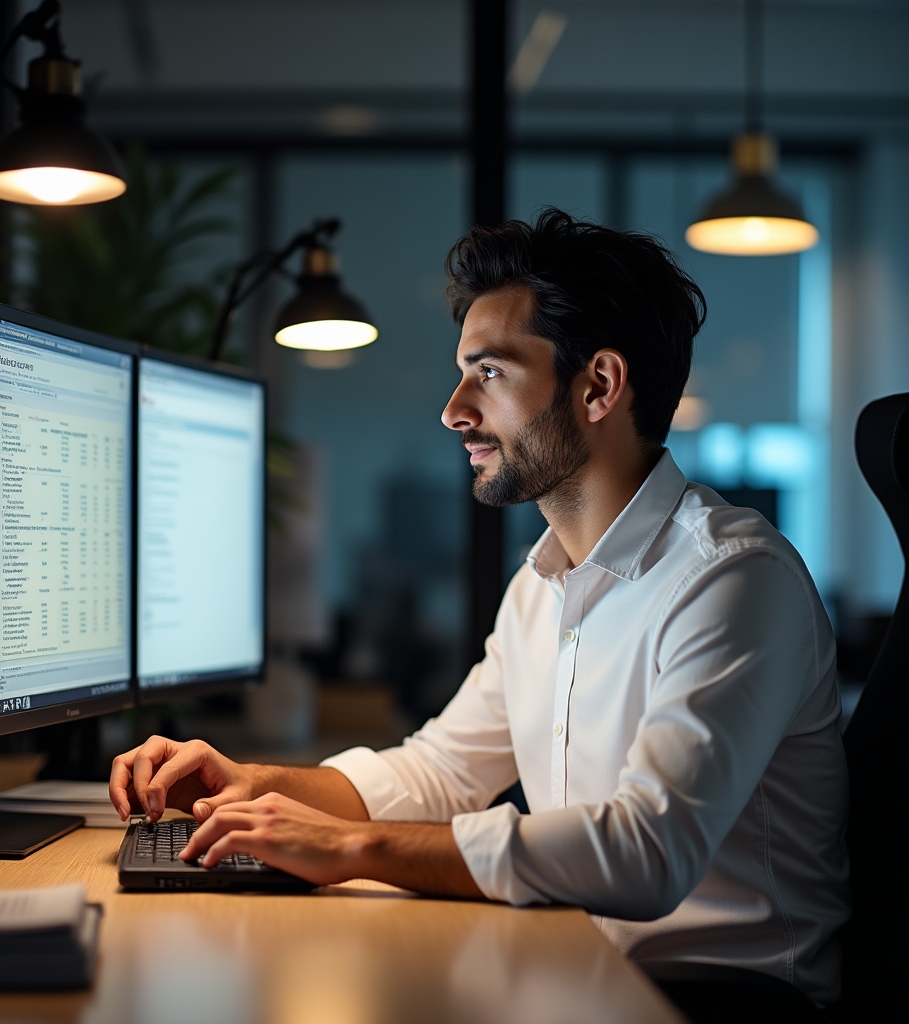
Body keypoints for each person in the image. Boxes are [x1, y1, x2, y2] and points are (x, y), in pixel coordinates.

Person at [109, 210, 849, 1005]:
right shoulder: (539, 587)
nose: (454, 409)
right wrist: (255, 785)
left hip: (720, 997)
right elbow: (441, 771)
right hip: (579, 960)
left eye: (490, 372)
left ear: (598, 385)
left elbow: (646, 852)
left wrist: (352, 847)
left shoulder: (732, 579)